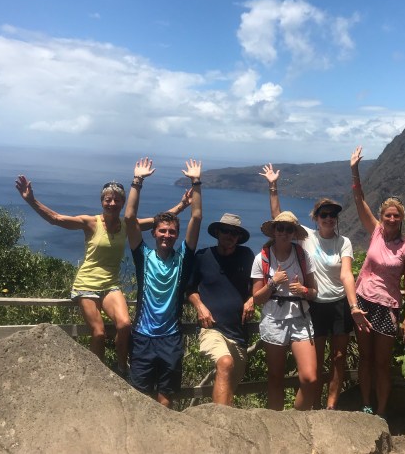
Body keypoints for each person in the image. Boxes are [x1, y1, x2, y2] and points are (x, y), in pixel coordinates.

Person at [260, 163, 366, 410]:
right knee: (315, 360)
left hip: (339, 304)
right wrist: (273, 187)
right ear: (315, 218)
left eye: (332, 215)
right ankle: (314, 406)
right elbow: (280, 221)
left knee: (338, 357)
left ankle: (331, 406)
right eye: (324, 215)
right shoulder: (306, 237)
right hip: (314, 306)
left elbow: (347, 275)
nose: (329, 218)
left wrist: (353, 306)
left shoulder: (344, 242)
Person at [15, 176, 132, 376]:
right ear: (102, 202)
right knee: (99, 333)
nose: (112, 203)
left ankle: (122, 370)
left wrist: (183, 205)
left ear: (123, 202)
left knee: (125, 325)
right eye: (108, 199)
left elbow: (157, 222)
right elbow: (56, 219)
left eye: (117, 200)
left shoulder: (127, 224)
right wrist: (31, 200)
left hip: (111, 285)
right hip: (87, 285)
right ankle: (98, 375)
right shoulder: (90, 222)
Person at [124, 157, 202, 408]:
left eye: (172, 231)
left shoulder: (182, 259)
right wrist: (137, 180)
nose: (167, 235)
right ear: (154, 233)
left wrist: (196, 182)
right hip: (142, 338)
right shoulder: (143, 257)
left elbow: (197, 217)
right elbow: (129, 218)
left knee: (166, 397)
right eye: (162, 231)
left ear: (177, 235)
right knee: (139, 397)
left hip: (170, 339)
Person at [350, 146, 405, 419]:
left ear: (402, 219)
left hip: (388, 307)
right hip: (363, 302)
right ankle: (366, 405)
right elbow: (359, 201)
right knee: (365, 359)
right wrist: (354, 170)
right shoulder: (376, 232)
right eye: (387, 215)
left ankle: (381, 411)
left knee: (381, 363)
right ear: (382, 217)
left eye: (396, 215)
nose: (391, 219)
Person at [251, 211, 318, 411]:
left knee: (310, 378)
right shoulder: (262, 259)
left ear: (294, 233)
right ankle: (276, 423)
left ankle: (296, 420)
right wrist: (273, 282)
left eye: (289, 229)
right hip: (274, 319)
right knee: (275, 377)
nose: (284, 232)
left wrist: (303, 290)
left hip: (300, 318)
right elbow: (257, 298)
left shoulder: (303, 256)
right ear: (274, 231)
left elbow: (314, 292)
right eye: (280, 228)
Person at [186, 213, 255, 406]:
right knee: (225, 362)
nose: (230, 235)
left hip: (238, 334)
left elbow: (257, 286)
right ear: (217, 232)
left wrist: (252, 299)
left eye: (235, 233)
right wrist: (200, 307)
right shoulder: (203, 257)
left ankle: (220, 422)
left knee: (229, 389)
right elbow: (189, 290)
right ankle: (219, 420)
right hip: (212, 329)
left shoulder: (246, 256)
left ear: (239, 237)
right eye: (225, 230)